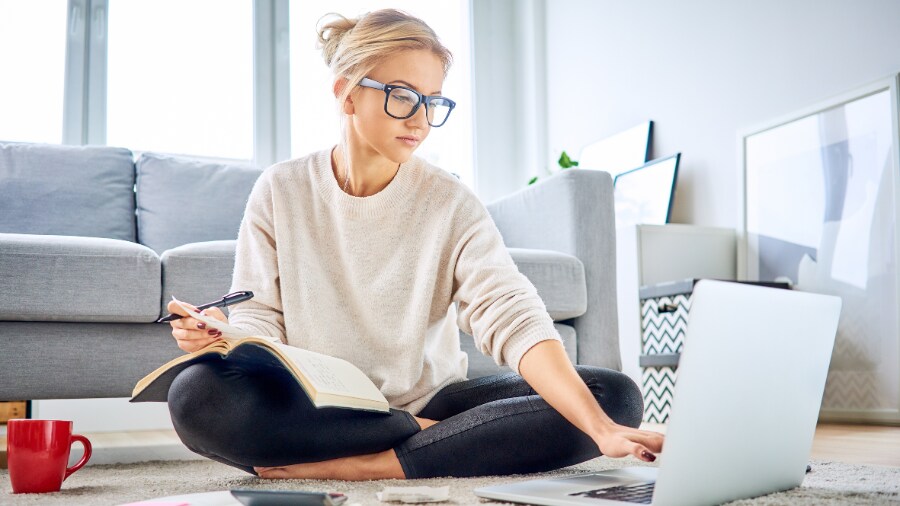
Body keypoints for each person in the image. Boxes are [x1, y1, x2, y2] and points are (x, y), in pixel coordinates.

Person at [164, 8, 663, 481]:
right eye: (402, 95)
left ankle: (370, 463)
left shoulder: (450, 200)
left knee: (613, 399)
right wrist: (228, 339)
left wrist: (601, 429)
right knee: (196, 396)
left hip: (430, 401)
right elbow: (259, 315)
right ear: (347, 93)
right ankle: (439, 446)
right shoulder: (281, 189)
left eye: (433, 100)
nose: (420, 118)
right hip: (316, 403)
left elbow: (509, 310)